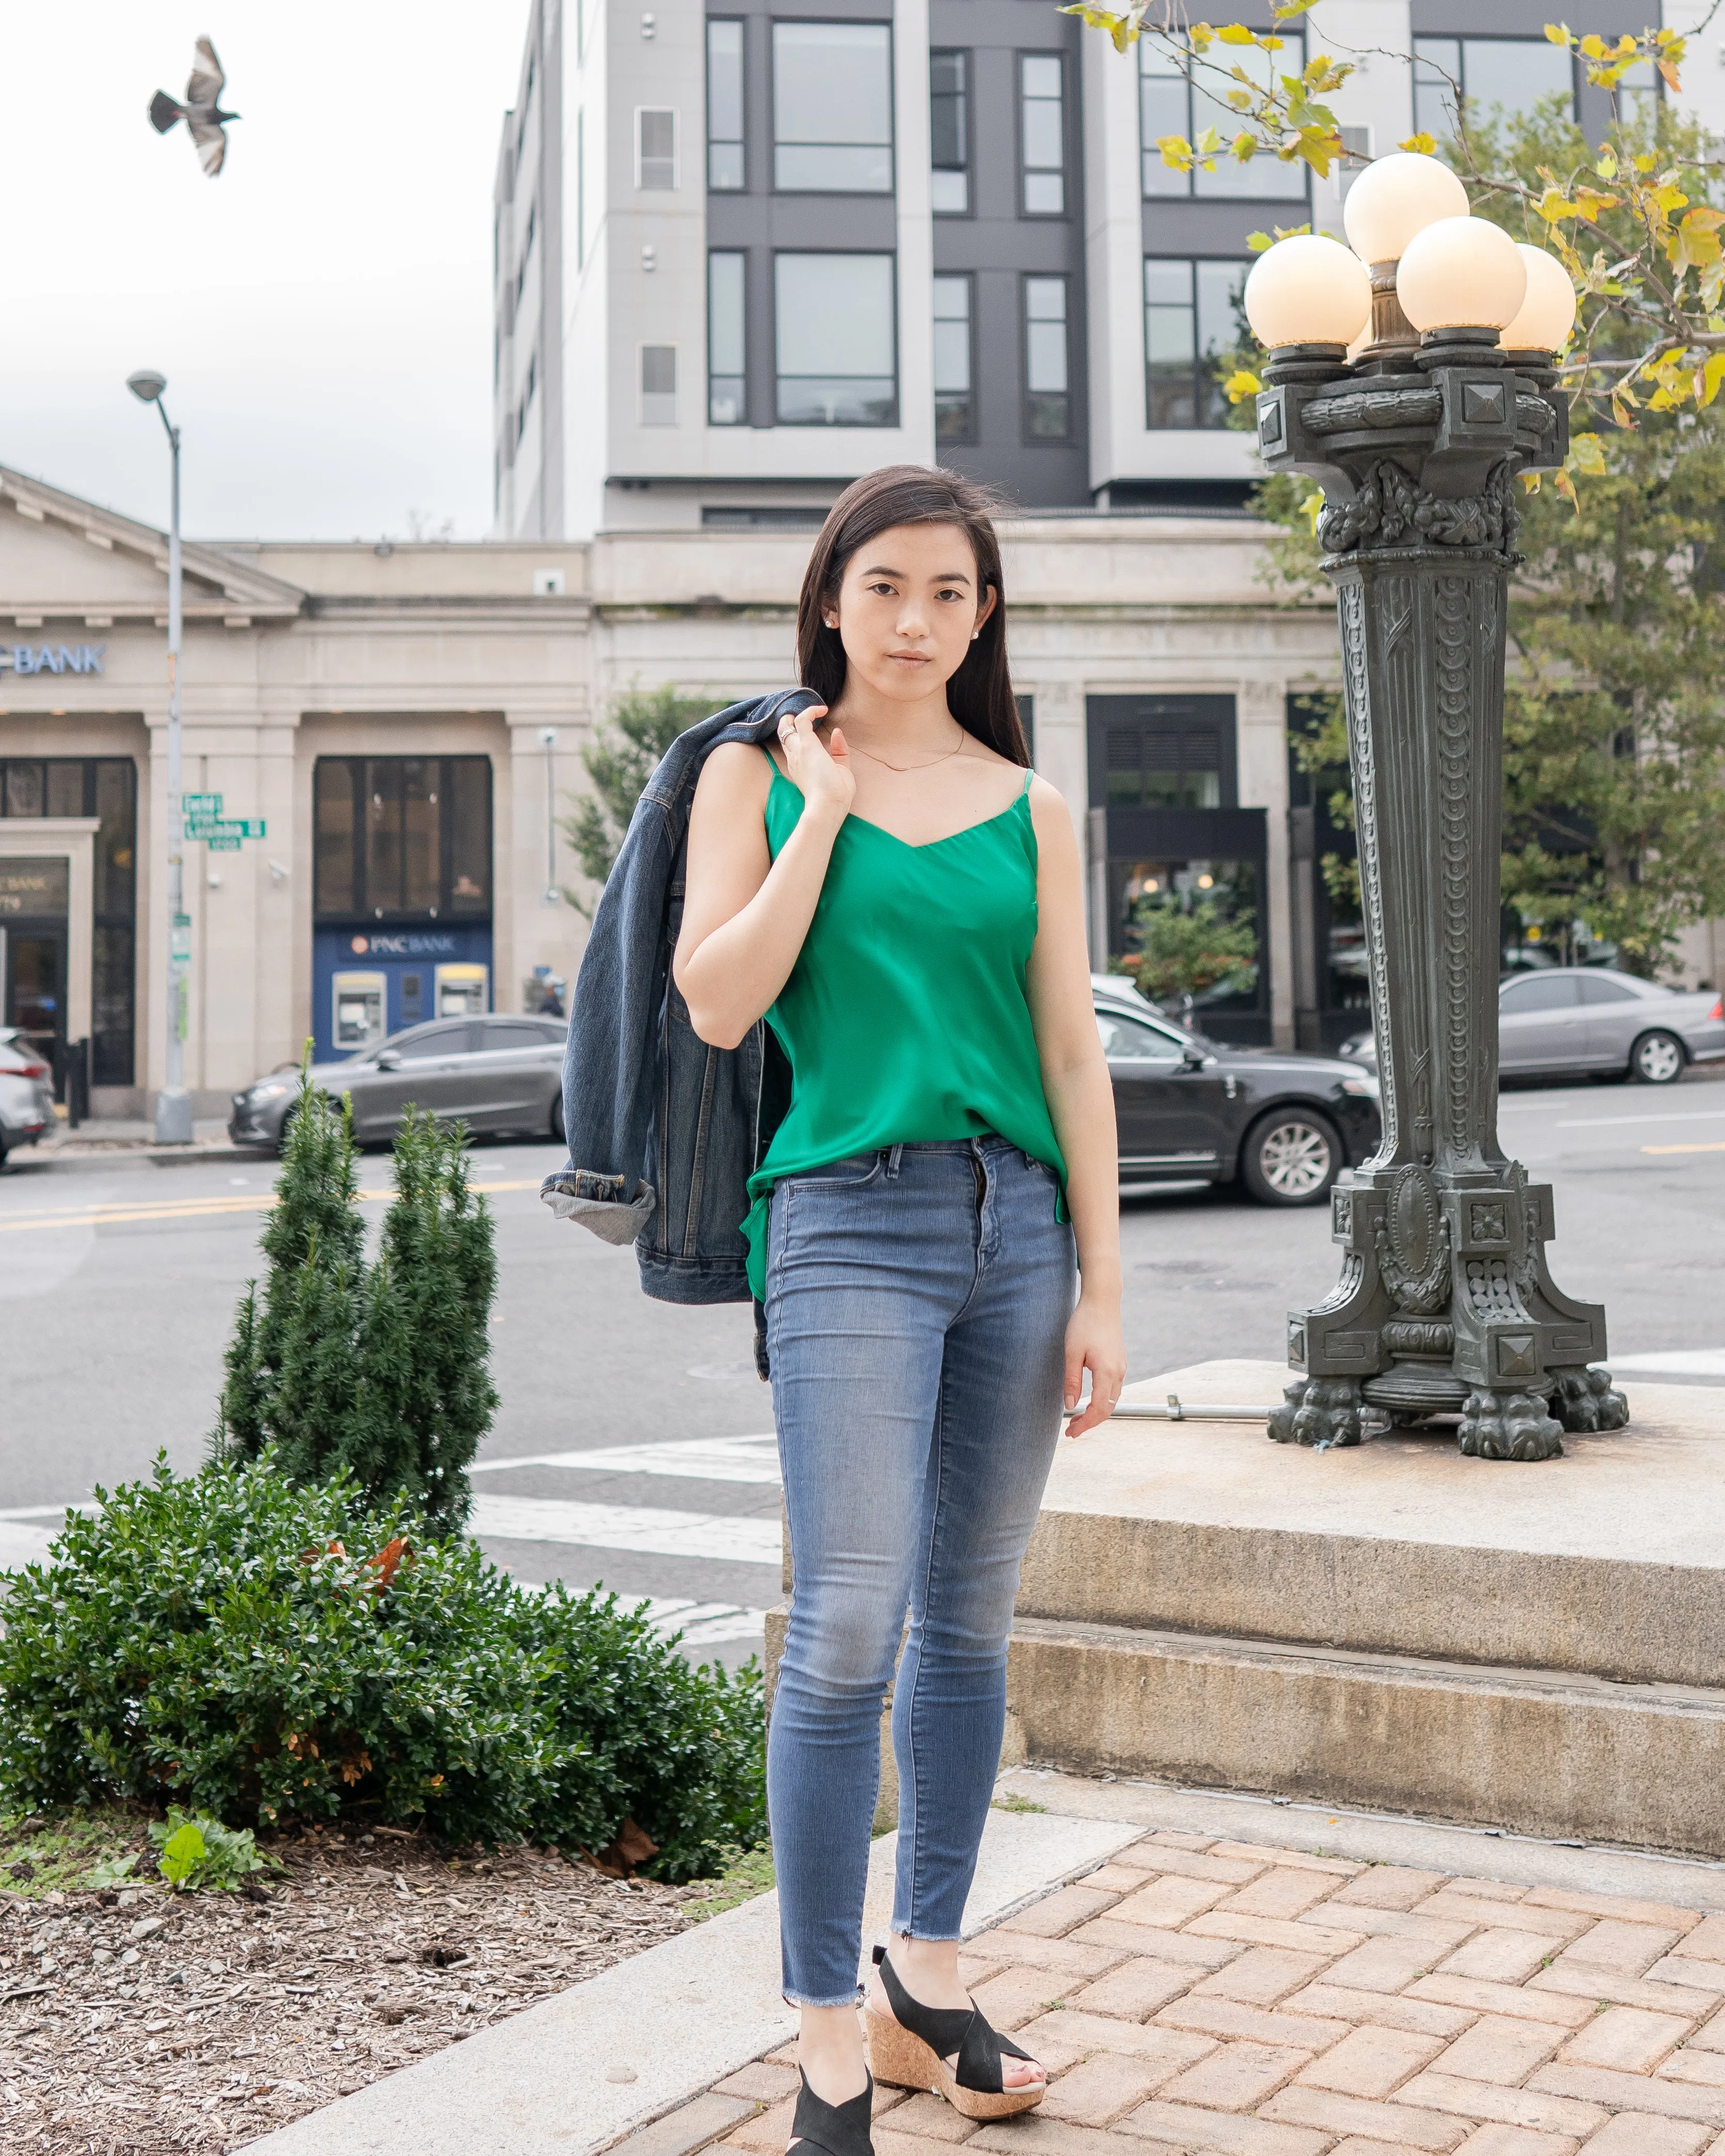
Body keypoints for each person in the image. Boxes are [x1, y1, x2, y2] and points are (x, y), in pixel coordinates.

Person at [674, 466, 1125, 2156]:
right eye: (885, 591)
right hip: (846, 1219)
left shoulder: (1031, 803)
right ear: (830, 603)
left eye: (950, 593)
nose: (917, 623)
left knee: (970, 1625)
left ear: (983, 615)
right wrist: (827, 817)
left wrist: (1102, 1281)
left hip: (1016, 1234)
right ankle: (819, 2042)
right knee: (848, 1622)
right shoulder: (756, 772)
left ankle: (924, 1980)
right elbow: (720, 1002)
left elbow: (1071, 1051)